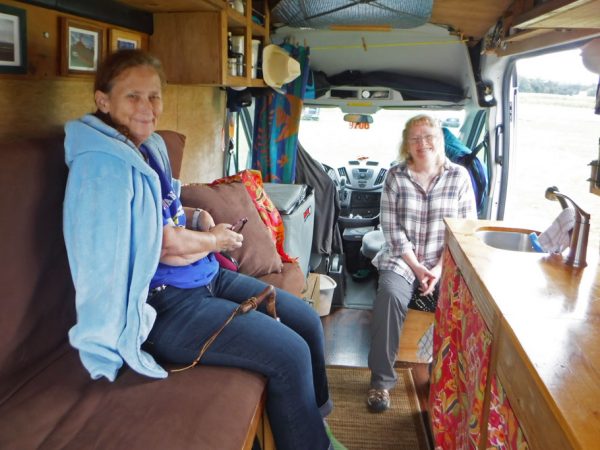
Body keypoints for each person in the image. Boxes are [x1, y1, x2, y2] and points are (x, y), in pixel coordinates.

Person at [63, 49, 342, 450]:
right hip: (164, 306)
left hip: (206, 276)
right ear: (103, 100)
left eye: (154, 96)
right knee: (290, 354)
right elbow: (161, 243)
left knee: (307, 321)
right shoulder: (102, 167)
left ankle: (315, 424)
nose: (147, 108)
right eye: (133, 96)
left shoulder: (148, 147)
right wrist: (215, 241)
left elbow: (167, 209)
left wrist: (196, 217)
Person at [366, 114, 477, 412]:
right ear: (406, 144)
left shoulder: (459, 177)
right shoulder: (395, 176)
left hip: (445, 259)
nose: (422, 143)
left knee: (460, 304)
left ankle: (443, 375)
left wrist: (439, 269)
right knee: (390, 296)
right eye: (415, 138)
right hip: (403, 258)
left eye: (428, 137)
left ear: (440, 140)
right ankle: (381, 382)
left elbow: (464, 230)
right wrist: (417, 267)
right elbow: (391, 230)